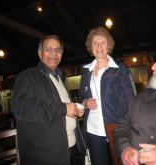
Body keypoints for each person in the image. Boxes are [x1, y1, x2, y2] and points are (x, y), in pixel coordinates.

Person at [11, 35, 84, 165]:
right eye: (48, 49)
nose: (54, 53)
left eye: (58, 50)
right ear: (40, 53)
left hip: (73, 149)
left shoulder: (60, 77)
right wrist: (62, 108)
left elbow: (63, 111)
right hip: (47, 156)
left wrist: (74, 111)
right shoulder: (27, 76)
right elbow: (21, 109)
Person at [79, 27, 136, 165]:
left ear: (108, 46)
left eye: (103, 43)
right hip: (93, 129)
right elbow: (82, 96)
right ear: (91, 48)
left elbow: (131, 98)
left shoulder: (120, 69)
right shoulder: (86, 71)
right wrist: (86, 103)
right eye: (95, 43)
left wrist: (133, 125)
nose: (99, 47)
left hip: (117, 128)